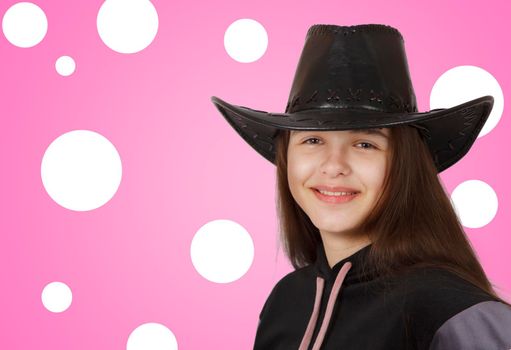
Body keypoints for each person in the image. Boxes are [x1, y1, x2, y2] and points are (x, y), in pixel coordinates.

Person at [210, 24, 511, 350]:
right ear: (286, 159)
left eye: (365, 144)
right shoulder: (286, 303)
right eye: (312, 140)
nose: (334, 165)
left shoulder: (454, 312)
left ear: (403, 164)